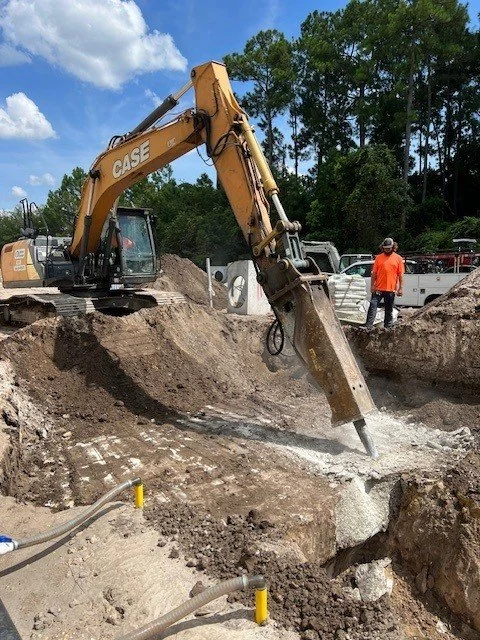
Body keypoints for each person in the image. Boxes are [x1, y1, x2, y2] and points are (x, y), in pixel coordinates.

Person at [364, 237, 404, 329]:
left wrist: (401, 288)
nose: (387, 250)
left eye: (389, 248)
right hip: (378, 288)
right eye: (385, 248)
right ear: (383, 248)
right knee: (373, 305)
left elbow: (401, 275)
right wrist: (372, 286)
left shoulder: (398, 258)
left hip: (390, 289)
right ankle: (368, 325)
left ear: (393, 247)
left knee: (388, 309)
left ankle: (388, 327)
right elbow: (374, 273)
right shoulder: (378, 258)